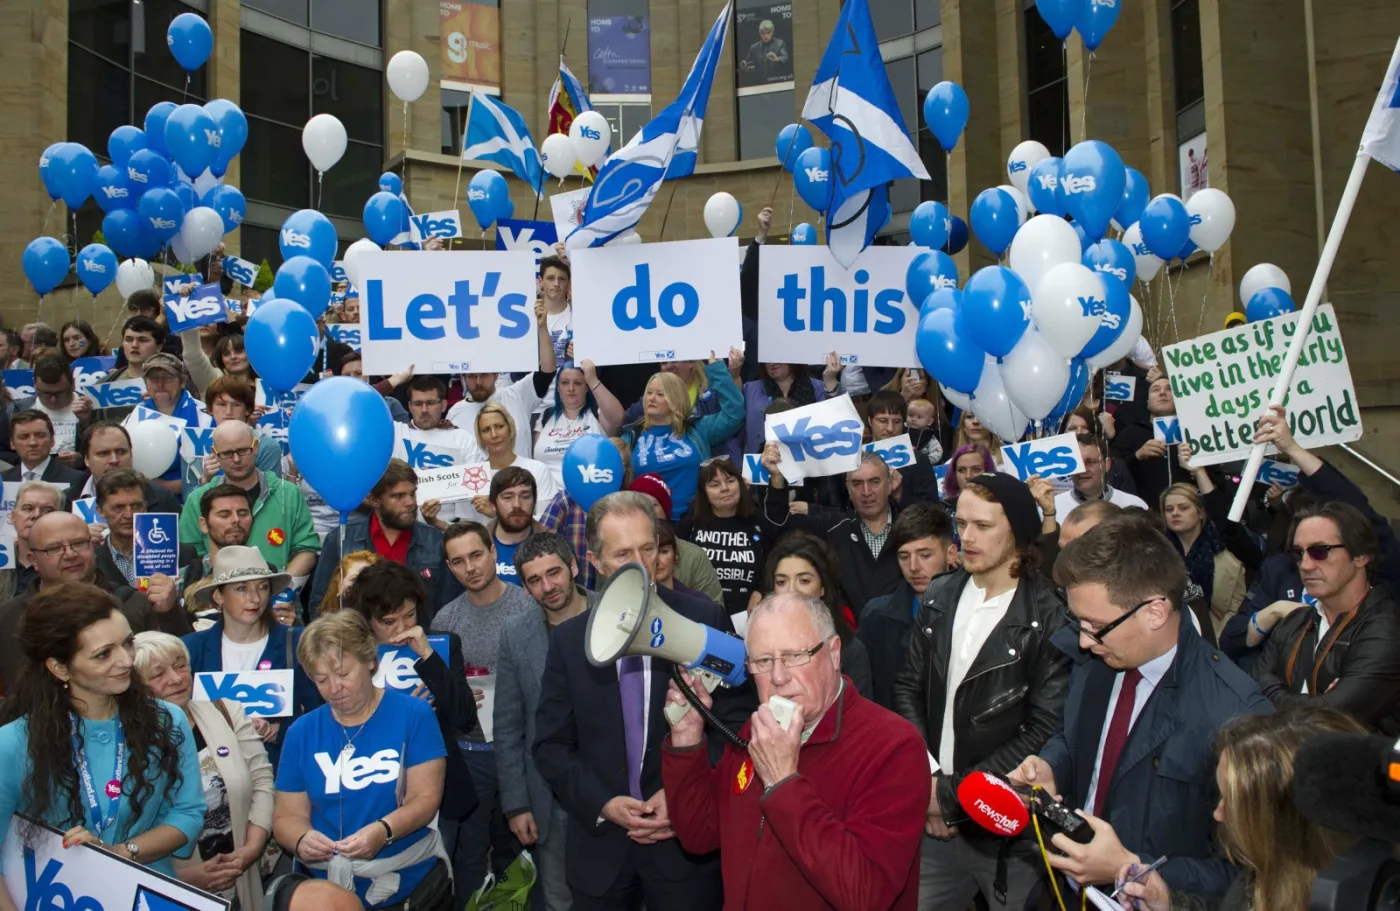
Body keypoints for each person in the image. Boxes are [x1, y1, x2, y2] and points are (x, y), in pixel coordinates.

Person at [1009, 515, 1272, 897]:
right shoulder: (1100, 656)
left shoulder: (1238, 715)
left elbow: (1251, 874)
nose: (1083, 642)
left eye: (1095, 625)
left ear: (1155, 612)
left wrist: (1130, 869)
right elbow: (1074, 738)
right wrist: (1051, 765)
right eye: (1078, 621)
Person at [533, 491, 747, 910]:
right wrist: (603, 804)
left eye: (648, 548)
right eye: (622, 553)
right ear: (595, 563)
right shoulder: (569, 641)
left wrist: (685, 792)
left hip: (685, 852)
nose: (640, 563)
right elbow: (550, 745)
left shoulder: (703, 619)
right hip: (601, 851)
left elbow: (738, 722)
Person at [662, 592, 930, 910]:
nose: (778, 677)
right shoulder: (758, 731)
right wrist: (687, 738)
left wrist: (782, 782)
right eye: (763, 661)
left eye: (794, 656)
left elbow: (866, 893)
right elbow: (699, 834)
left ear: (834, 653)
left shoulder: (894, 747)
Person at [893, 473, 1071, 911]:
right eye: (961, 523)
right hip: (932, 818)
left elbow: (1044, 728)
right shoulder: (939, 594)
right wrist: (930, 783)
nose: (966, 538)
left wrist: (950, 798)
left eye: (983, 526)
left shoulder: (1049, 615)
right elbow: (907, 689)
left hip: (1009, 830)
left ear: (1018, 532)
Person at [0, 583, 205, 879]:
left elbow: (187, 812)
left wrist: (119, 853)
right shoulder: (14, 743)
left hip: (147, 891)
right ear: (60, 668)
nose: (126, 660)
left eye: (127, 643)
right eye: (103, 654)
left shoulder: (167, 720)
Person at [273, 610, 451, 910]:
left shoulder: (412, 714)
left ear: (370, 660)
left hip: (408, 884)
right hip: (325, 892)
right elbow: (286, 816)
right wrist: (302, 839)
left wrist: (384, 830)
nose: (334, 688)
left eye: (343, 674)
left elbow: (424, 798)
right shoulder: (301, 732)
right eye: (321, 680)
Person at [1111, 707, 1366, 911]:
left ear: (1288, 821)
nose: (1218, 814)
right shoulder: (1260, 873)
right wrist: (1170, 904)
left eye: (1231, 802)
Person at [341, 561, 483, 899]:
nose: (402, 628)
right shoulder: (351, 657)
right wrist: (403, 710)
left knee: (434, 883)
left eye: (409, 615)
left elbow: (464, 717)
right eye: (388, 622)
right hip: (371, 789)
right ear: (367, 620)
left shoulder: (442, 644)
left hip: (440, 791)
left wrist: (428, 655)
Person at [427, 522, 535, 890]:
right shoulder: (445, 620)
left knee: (525, 846)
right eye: (458, 561)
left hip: (521, 751)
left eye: (476, 555)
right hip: (469, 752)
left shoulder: (528, 606)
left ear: (493, 552)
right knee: (469, 853)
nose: (470, 567)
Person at [135, 631, 277, 909]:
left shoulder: (227, 712)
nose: (175, 679)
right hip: (170, 890)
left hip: (242, 878)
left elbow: (262, 782)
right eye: (157, 674)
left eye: (180, 665)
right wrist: (181, 877)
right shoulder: (128, 743)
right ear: (136, 686)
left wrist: (251, 849)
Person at [496, 533, 590, 910]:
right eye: (534, 580)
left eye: (554, 573)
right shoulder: (516, 634)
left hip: (618, 790)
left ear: (574, 567)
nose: (547, 586)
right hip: (551, 799)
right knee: (558, 900)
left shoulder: (617, 615)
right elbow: (507, 726)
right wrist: (516, 805)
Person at [1251, 500, 1400, 732]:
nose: (1305, 565)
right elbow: (1249, 693)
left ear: (1360, 556)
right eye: (1298, 553)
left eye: (1320, 551)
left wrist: (1270, 689)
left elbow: (1329, 717)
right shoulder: (1295, 621)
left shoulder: (1388, 629)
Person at [0, 511, 193, 690]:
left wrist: (169, 613)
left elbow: (181, 661)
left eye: (79, 543)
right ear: (32, 559)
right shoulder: (8, 617)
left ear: (93, 546)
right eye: (54, 548)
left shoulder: (132, 602)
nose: (70, 554)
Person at [183, 546, 318, 765]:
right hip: (215, 778)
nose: (255, 598)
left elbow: (318, 712)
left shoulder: (298, 643)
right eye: (241, 589)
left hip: (281, 772)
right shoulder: (191, 649)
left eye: (263, 587)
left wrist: (281, 727)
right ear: (218, 596)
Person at [763, 448, 903, 618]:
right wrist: (777, 477)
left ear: (889, 484)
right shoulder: (834, 526)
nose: (866, 492)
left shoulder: (910, 529)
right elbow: (781, 525)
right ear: (848, 490)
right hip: (848, 639)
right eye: (857, 484)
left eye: (874, 481)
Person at [308, 460, 452, 615]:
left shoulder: (436, 541)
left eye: (412, 493)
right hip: (358, 637)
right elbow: (319, 605)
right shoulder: (340, 540)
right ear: (374, 500)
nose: (410, 502)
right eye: (398, 496)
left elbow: (447, 608)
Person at [180, 421, 319, 580]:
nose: (236, 459)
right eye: (227, 453)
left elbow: (306, 550)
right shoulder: (197, 500)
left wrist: (281, 590)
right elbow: (189, 560)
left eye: (243, 450)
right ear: (214, 452)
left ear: (256, 447)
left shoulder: (287, 493)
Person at [620, 352, 744, 520]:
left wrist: (716, 370)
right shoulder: (632, 436)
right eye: (649, 393)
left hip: (694, 521)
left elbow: (734, 414)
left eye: (660, 394)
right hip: (647, 523)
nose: (651, 398)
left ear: (675, 398)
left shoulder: (698, 429)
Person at [859, 504, 958, 710]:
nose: (913, 567)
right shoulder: (876, 617)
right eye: (904, 557)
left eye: (925, 555)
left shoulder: (977, 611)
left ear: (951, 554)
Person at [752, 531, 874, 697]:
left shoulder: (850, 650)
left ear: (823, 588)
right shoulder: (758, 646)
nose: (791, 590)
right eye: (781, 582)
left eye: (804, 581)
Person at [445, 300, 560, 460]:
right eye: (471, 376)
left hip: (521, 482)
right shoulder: (454, 414)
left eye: (484, 375)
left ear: (496, 374)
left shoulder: (518, 395)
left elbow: (548, 371)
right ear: (463, 377)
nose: (478, 382)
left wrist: (542, 327)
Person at [676, 457, 784, 619]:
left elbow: (777, 560)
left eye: (730, 481)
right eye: (714, 484)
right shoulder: (691, 523)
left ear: (740, 484)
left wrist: (762, 591)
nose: (725, 488)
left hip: (749, 612)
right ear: (703, 492)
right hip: (700, 612)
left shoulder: (758, 521)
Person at [1160, 481, 1250, 644]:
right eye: (1169, 509)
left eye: (1183, 508)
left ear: (1200, 513)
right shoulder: (1156, 553)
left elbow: (1236, 609)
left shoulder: (1226, 553)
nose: (1175, 513)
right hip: (1166, 638)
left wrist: (1215, 642)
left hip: (1215, 640)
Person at [94, 469, 203, 593]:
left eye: (136, 506)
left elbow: (193, 606)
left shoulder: (183, 555)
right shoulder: (92, 560)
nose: (129, 514)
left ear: (145, 507)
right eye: (118, 508)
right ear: (100, 511)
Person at [452, 403, 561, 526]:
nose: (494, 435)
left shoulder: (537, 469)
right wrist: (436, 522)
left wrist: (496, 513)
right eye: (486, 430)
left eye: (499, 426)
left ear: (510, 428)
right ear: (480, 437)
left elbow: (545, 523)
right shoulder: (471, 475)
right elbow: (465, 529)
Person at [628, 472, 726, 603]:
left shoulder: (694, 556)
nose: (646, 512)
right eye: (638, 506)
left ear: (665, 511)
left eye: (652, 505)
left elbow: (714, 611)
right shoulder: (618, 555)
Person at [188, 376, 283, 497]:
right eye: (221, 404)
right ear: (210, 409)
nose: (228, 411)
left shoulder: (266, 446)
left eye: (236, 405)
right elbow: (188, 501)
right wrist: (205, 480)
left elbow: (272, 495)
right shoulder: (193, 440)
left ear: (248, 410)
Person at [534, 361, 625, 488]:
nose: (571, 388)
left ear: (587, 387)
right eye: (565, 383)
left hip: (589, 495)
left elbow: (618, 419)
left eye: (577, 383)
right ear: (558, 387)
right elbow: (535, 462)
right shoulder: (545, 417)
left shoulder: (597, 413)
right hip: (548, 498)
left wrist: (593, 380)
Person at [68, 421, 182, 514]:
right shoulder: (68, 499)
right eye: (103, 453)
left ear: (131, 455)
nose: (114, 460)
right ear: (87, 459)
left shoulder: (162, 498)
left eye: (121, 451)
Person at [737, 356, 836, 454]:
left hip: (807, 462)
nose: (772, 363)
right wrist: (736, 467)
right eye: (767, 357)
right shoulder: (750, 389)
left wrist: (830, 382)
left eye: (778, 355)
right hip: (759, 464)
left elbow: (832, 425)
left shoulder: (817, 388)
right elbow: (736, 432)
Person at [865, 390, 943, 507]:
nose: (890, 428)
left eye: (897, 422)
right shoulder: (855, 458)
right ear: (870, 421)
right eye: (883, 421)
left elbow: (933, 512)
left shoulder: (919, 460)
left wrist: (900, 494)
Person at [1113, 374, 1179, 509]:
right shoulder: (1130, 433)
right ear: (1147, 403)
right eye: (1155, 389)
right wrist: (1137, 457)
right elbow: (1112, 474)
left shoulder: (1192, 433)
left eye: (1169, 389)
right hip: (1144, 515)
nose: (1162, 393)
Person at [18, 353, 92, 461]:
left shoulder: (92, 408)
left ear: (73, 383)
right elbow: (5, 452)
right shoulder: (18, 410)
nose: (53, 400)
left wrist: (83, 461)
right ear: (34, 384)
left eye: (60, 393)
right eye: (45, 393)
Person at [1054, 433, 1148, 517]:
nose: (1083, 470)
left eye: (1090, 462)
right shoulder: (1054, 508)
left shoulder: (1133, 505)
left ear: (1107, 464)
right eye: (1077, 463)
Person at [0, 480, 62, 602]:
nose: (36, 515)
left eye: (47, 510)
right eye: (28, 508)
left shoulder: (69, 560)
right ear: (12, 517)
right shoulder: (3, 555)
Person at [3, 408, 85, 490]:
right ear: (12, 443)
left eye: (40, 435)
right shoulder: (3, 479)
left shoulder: (75, 479)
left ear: (52, 440)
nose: (33, 443)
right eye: (24, 437)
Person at [100, 316, 165, 385]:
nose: (134, 345)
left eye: (143, 340)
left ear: (159, 347)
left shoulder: (174, 383)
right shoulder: (104, 383)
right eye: (128, 340)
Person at [315, 550, 380, 618]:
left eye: (368, 581)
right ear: (339, 583)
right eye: (354, 579)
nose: (361, 586)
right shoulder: (324, 624)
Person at [940, 443, 995, 514]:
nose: (968, 476)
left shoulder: (1000, 508)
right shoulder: (944, 510)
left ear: (988, 471)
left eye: (976, 469)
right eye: (961, 470)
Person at [737, 17, 789, 84]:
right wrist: (744, 65)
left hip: (778, 81)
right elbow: (747, 62)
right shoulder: (754, 48)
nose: (766, 36)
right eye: (763, 34)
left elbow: (786, 58)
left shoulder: (780, 43)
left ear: (772, 33)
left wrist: (777, 59)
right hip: (759, 83)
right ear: (760, 34)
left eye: (768, 33)